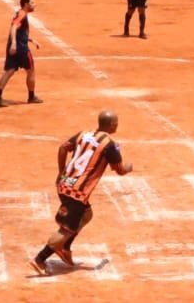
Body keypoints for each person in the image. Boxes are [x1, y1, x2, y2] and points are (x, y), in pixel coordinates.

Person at [29, 110, 133, 276]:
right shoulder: (110, 145)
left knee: (86, 214)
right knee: (66, 229)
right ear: (113, 125)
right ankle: (40, 259)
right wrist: (128, 167)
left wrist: (61, 171)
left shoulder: (83, 134)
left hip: (64, 183)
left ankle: (65, 248)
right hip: (77, 191)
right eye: (117, 123)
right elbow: (120, 170)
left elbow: (63, 148)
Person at [0, 0, 42, 107]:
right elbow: (14, 27)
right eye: (32, 3)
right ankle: (31, 96)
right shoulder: (22, 14)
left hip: (15, 46)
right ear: (26, 4)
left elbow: (18, 30)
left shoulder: (20, 13)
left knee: (10, 71)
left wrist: (30, 39)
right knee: (31, 70)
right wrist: (15, 44)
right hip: (21, 48)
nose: (34, 5)